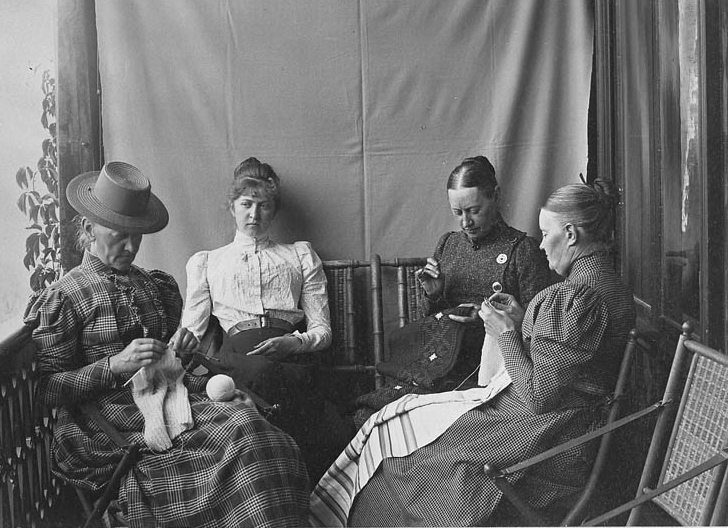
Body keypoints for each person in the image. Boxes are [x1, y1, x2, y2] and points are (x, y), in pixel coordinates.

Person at [310, 177, 635, 527]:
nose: (542, 245)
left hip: (551, 436)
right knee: (406, 434)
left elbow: (541, 395)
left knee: (410, 464)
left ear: (570, 234)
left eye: (546, 234)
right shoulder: (609, 287)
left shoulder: (577, 295)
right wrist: (521, 320)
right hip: (565, 423)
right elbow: (569, 357)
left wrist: (506, 334)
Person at [24, 161, 309, 528]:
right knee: (242, 436)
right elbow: (47, 390)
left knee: (264, 432)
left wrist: (184, 356)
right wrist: (114, 365)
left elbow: (170, 368)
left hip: (172, 400)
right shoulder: (65, 296)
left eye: (137, 236)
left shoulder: (152, 285)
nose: (130, 247)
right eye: (119, 235)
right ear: (89, 228)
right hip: (107, 424)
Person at [351, 156, 554, 426]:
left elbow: (540, 328)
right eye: (457, 213)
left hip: (486, 371)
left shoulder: (523, 250)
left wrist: (486, 320)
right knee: (368, 415)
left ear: (496, 196)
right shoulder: (449, 244)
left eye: (473, 210)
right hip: (440, 362)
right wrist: (434, 295)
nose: (465, 222)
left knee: (396, 420)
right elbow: (430, 321)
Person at [181, 157, 347, 484]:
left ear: (275, 210)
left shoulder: (299, 256)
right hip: (237, 362)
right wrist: (178, 350)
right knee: (264, 377)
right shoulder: (208, 262)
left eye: (264, 206)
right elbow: (192, 331)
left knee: (323, 416)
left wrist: (294, 342)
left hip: (291, 358)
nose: (254, 215)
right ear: (231, 206)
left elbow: (323, 331)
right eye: (246, 204)